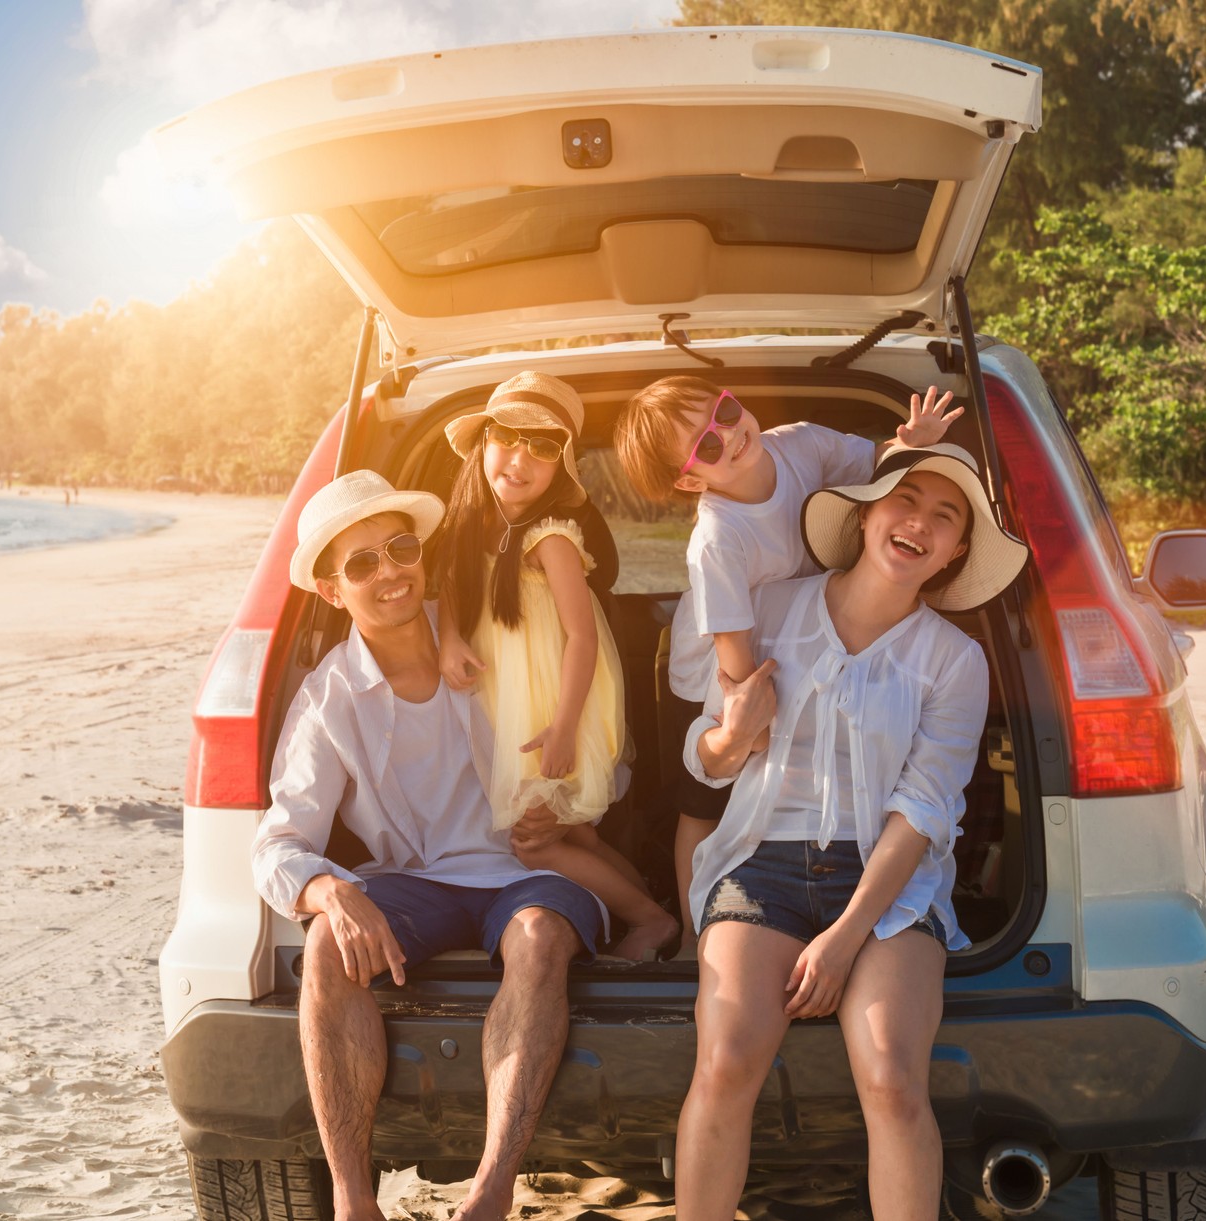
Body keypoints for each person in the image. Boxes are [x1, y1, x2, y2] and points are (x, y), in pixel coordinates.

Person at [672, 441, 1030, 1221]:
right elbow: (704, 750)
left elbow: (924, 809)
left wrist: (843, 935)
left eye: (946, 517)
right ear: (866, 514)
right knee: (727, 1059)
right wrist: (729, 741)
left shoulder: (955, 660)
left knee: (893, 1078)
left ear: (956, 552)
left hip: (887, 886)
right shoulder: (769, 611)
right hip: (760, 866)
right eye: (907, 501)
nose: (920, 524)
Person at [251, 469, 607, 1221]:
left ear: (422, 554)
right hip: (414, 882)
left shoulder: (489, 628)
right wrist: (329, 890)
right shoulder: (327, 698)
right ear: (330, 591)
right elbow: (277, 844)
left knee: (540, 937)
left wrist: (564, 808)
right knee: (325, 945)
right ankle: (353, 1201)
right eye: (361, 563)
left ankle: (491, 1189)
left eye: (400, 547)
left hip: (530, 869)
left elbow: (599, 738)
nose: (388, 572)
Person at [612, 376, 963, 949]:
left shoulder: (798, 444)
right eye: (704, 447)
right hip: (718, 666)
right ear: (689, 478)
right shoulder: (717, 538)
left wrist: (914, 444)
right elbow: (732, 648)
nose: (727, 436)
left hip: (801, 643)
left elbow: (881, 469)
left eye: (723, 412)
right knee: (701, 802)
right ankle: (695, 935)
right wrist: (744, 723)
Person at [435, 371, 678, 961]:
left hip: (556, 709)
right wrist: (446, 639)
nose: (520, 459)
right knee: (575, 834)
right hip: (511, 706)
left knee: (534, 843)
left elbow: (582, 635)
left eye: (543, 448)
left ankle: (650, 921)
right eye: (509, 438)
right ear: (483, 443)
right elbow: (449, 585)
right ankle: (654, 909)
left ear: (561, 467)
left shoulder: (552, 536)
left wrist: (565, 727)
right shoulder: (469, 528)